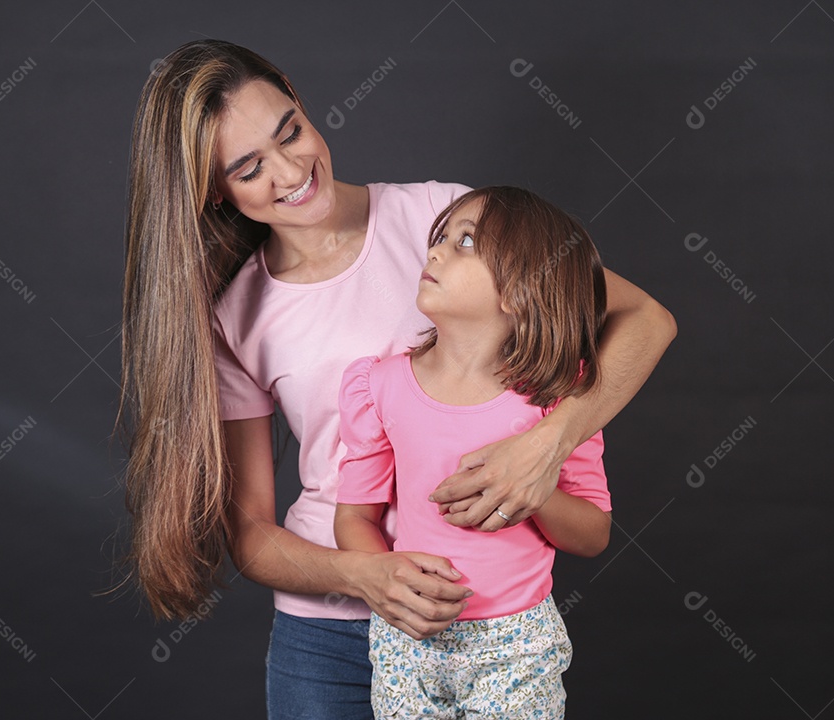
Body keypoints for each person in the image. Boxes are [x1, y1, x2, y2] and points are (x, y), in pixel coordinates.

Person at [119, 39, 675, 720]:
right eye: (249, 167)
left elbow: (645, 320)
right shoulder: (236, 315)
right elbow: (253, 535)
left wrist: (549, 446)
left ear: (296, 94)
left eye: (289, 129)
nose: (293, 168)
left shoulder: (445, 222)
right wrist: (364, 575)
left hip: (481, 621)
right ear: (213, 189)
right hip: (325, 641)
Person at [335, 186, 613, 719]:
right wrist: (389, 580)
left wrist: (533, 487)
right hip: (407, 640)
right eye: (439, 237)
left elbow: (593, 533)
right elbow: (354, 518)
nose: (435, 251)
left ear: (522, 290)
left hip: (516, 644)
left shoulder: (560, 396)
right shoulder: (380, 386)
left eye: (465, 242)